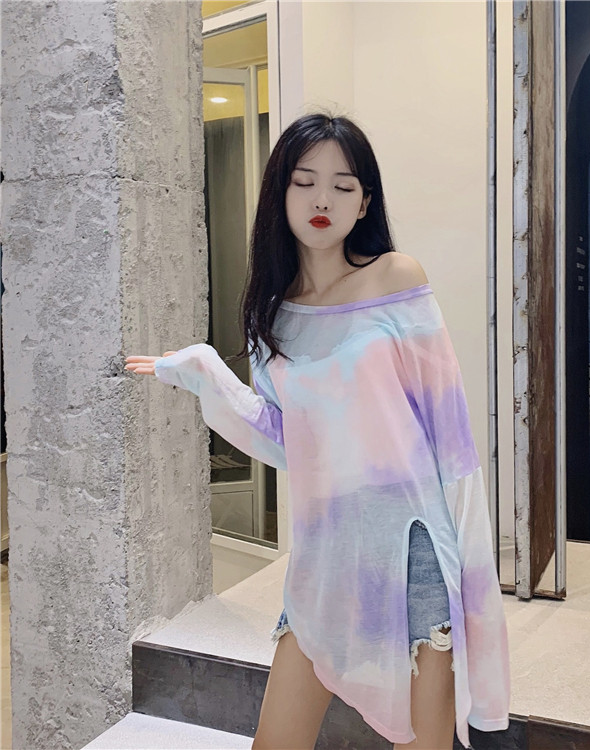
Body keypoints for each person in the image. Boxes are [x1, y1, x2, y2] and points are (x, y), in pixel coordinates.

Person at [125, 112, 510, 750]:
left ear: (365, 202)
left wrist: (473, 581)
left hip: (411, 547)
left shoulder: (397, 279)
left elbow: (453, 441)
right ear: (280, 193)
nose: (322, 200)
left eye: (342, 185)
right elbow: (290, 442)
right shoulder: (273, 314)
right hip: (325, 552)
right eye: (304, 182)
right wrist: (208, 375)